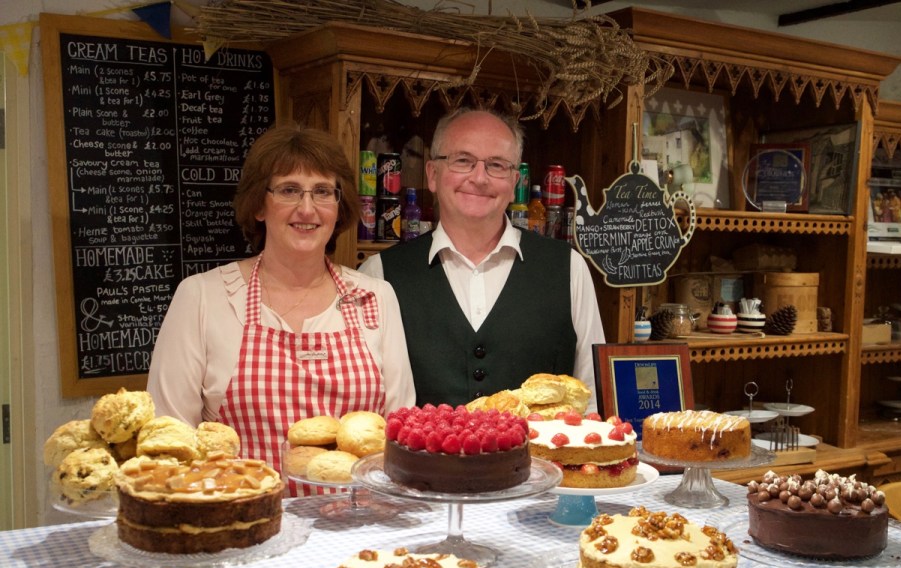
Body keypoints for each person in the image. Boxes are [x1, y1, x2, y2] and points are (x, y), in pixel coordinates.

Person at [148, 124, 415, 494]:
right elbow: (170, 440)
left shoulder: (376, 297)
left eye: (323, 192)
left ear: (340, 207)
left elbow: (399, 435)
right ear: (259, 204)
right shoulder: (202, 298)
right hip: (243, 524)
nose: (307, 209)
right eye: (289, 190)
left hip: (358, 528)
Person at [359, 108, 606, 410]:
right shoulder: (379, 275)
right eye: (462, 161)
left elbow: (593, 401)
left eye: (496, 165)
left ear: (515, 181)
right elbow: (371, 404)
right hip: (421, 459)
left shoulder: (569, 269)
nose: (479, 178)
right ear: (433, 175)